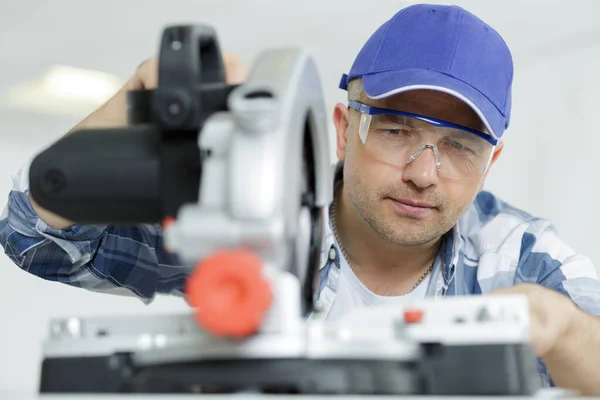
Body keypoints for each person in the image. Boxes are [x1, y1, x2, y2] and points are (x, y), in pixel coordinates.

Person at [1, 3, 600, 395]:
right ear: (343, 129)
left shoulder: (521, 259)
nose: (424, 173)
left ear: (490, 162)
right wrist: (133, 105)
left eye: (460, 147)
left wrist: (558, 330)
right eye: (396, 131)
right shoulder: (255, 217)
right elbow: (34, 235)